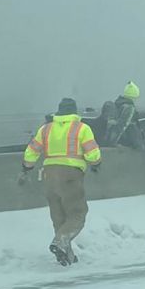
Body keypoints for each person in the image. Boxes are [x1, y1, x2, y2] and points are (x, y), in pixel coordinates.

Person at [19, 98, 101, 266]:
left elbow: (31, 152)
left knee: (59, 217)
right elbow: (93, 154)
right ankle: (61, 242)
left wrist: (27, 168)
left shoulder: (45, 129)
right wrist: (96, 164)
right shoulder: (82, 128)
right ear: (74, 111)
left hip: (49, 175)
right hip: (71, 175)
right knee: (77, 214)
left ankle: (66, 255)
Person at [102, 81, 145, 189]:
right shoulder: (129, 108)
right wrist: (113, 143)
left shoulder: (118, 104)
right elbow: (122, 125)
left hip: (128, 138)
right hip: (131, 138)